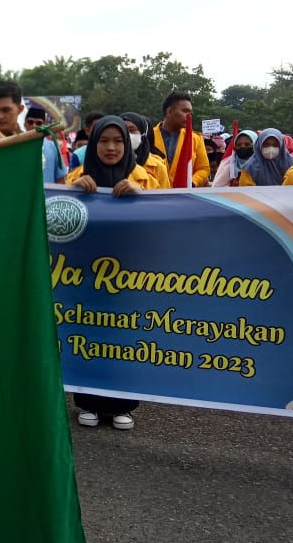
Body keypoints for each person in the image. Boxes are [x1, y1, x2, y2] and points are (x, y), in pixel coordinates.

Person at [66, 116, 156, 429]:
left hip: (130, 275)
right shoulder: (78, 175)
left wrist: (140, 195)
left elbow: (169, 213)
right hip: (87, 273)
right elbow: (59, 218)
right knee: (90, 333)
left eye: (118, 141)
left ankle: (124, 405)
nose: (111, 147)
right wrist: (74, 191)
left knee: (125, 335)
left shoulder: (143, 177)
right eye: (104, 141)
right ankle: (87, 402)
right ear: (93, 144)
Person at [151, 92, 210, 187]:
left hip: (184, 196)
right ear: (170, 111)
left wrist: (191, 183)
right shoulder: (148, 135)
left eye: (191, 113)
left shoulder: (196, 138)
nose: (189, 116)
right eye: (185, 111)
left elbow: (204, 168)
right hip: (153, 195)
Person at [121, 111, 171, 189]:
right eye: (123, 130)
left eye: (132, 130)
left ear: (143, 134)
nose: (127, 135)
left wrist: (140, 190)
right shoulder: (108, 162)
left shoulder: (158, 166)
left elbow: (165, 198)